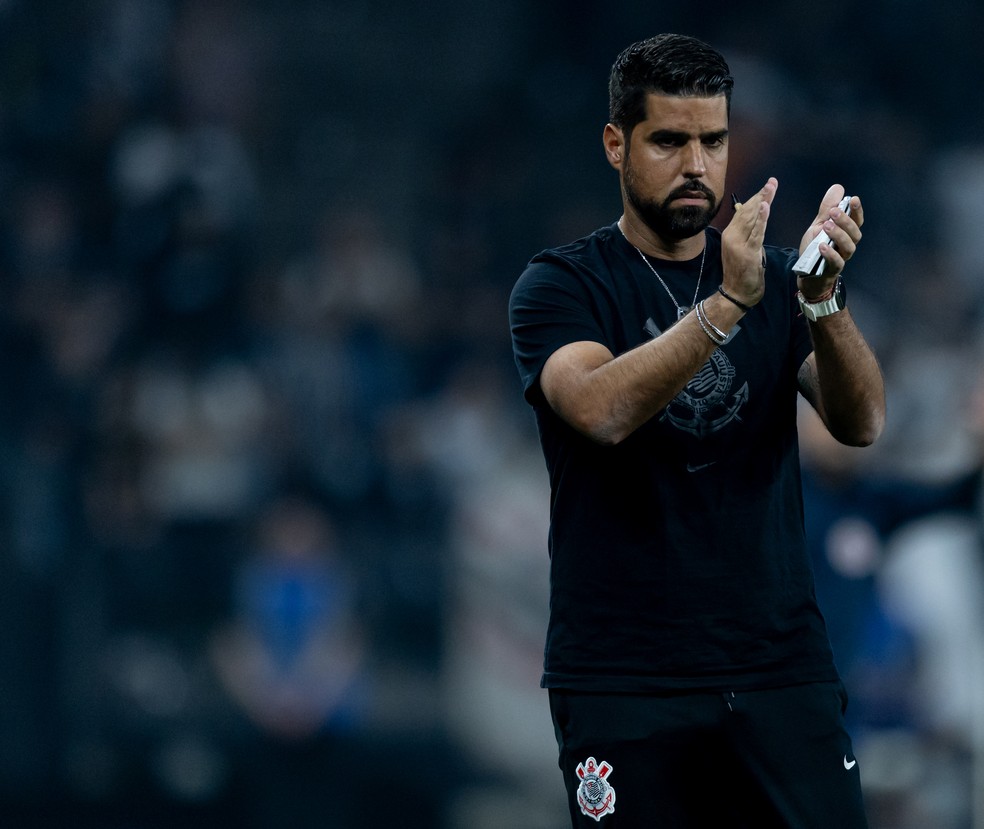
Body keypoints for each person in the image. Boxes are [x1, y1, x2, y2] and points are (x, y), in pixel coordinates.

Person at [508, 33, 886, 828]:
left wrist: (821, 301)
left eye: (713, 140)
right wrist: (726, 308)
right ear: (617, 144)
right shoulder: (562, 284)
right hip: (625, 682)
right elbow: (602, 410)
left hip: (780, 667)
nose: (697, 165)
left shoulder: (776, 279)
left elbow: (861, 423)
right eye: (670, 140)